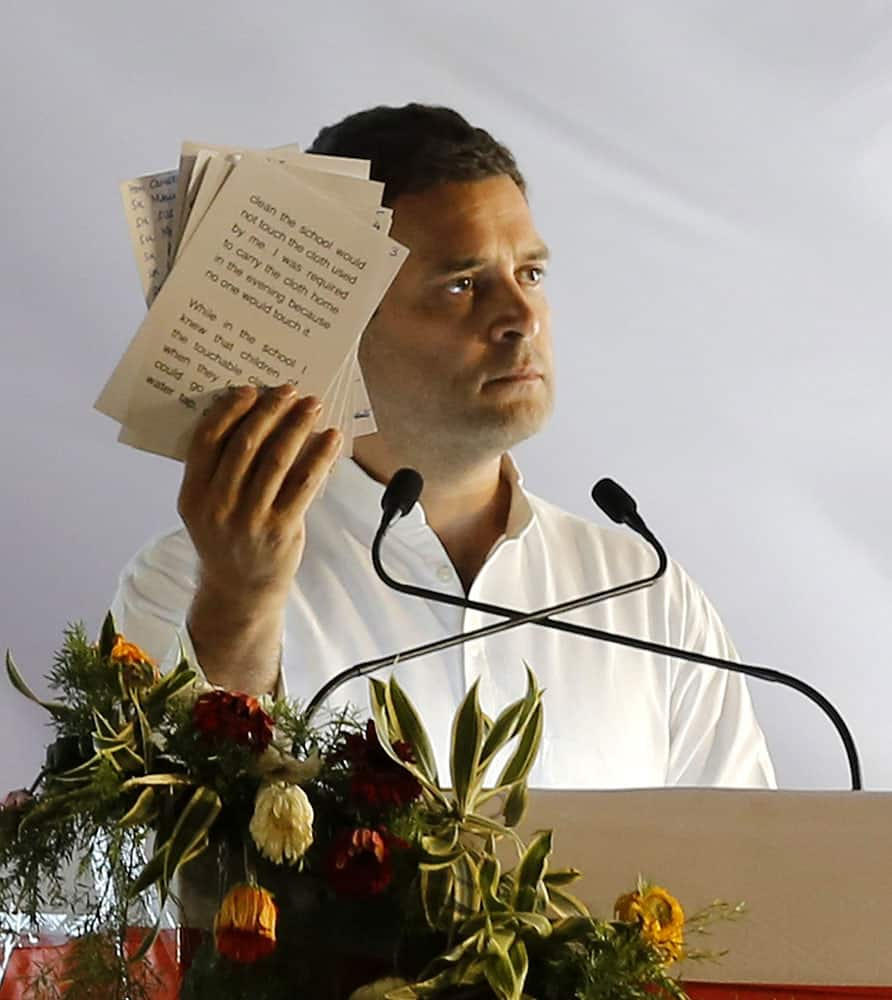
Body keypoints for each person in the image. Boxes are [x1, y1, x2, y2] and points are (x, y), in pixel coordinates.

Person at [112, 103, 775, 789]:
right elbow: (157, 870)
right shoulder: (184, 584)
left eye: (531, 274)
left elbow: (751, 879)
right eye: (461, 284)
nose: (521, 318)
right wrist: (241, 601)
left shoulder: (646, 594)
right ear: (335, 324)